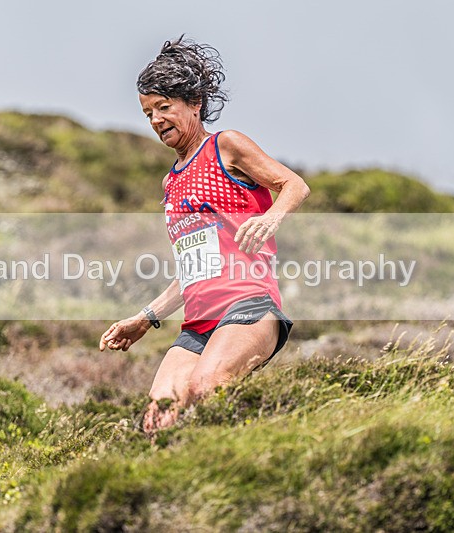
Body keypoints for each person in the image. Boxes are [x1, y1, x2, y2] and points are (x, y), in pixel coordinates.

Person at [99, 37, 311, 435]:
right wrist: (145, 318)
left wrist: (270, 219)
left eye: (164, 107)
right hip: (197, 324)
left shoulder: (225, 146)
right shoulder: (170, 183)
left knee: (205, 388)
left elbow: (294, 185)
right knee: (157, 420)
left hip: (248, 306)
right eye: (148, 113)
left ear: (194, 103)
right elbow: (193, 271)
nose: (156, 120)